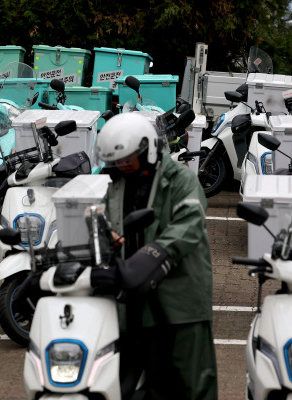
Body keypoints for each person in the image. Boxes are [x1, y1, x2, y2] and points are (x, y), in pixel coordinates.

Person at [95, 112, 217, 400]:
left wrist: (153, 254)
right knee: (154, 385)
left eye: (129, 159)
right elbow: (102, 219)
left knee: (194, 384)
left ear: (147, 149)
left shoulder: (181, 178)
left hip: (182, 299)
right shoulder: (116, 185)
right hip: (138, 299)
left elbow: (190, 222)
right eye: (118, 161)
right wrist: (105, 236)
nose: (123, 165)